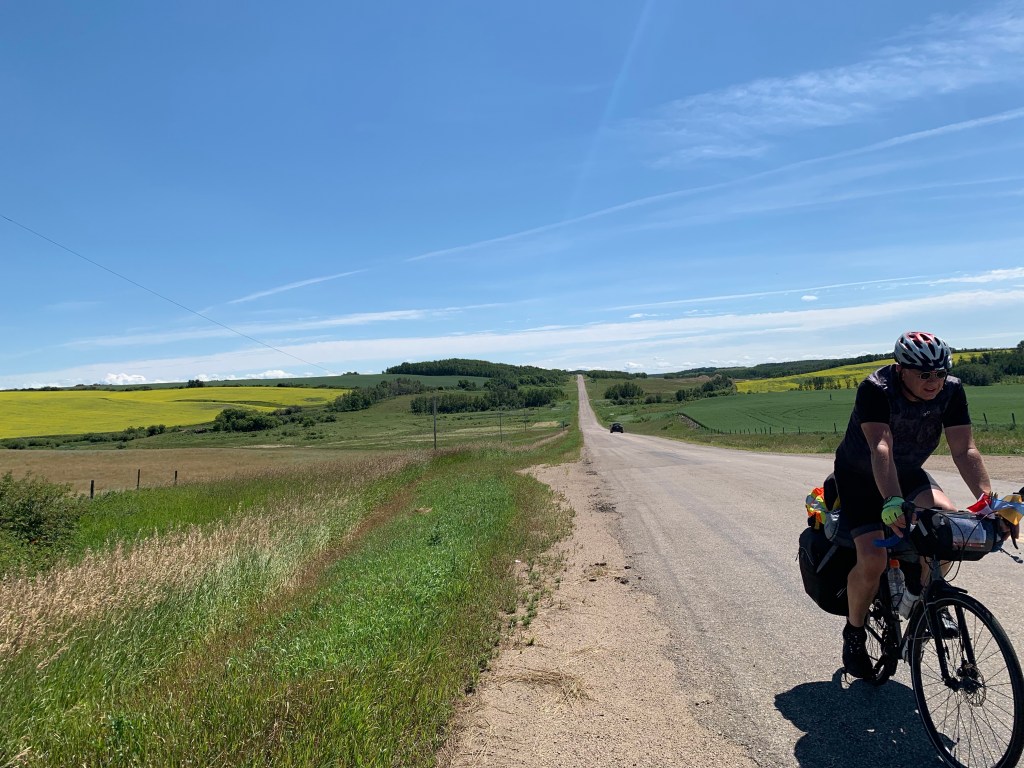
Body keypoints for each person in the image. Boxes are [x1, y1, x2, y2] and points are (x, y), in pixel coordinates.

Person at [833, 330, 995, 679]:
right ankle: (855, 632)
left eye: (940, 373)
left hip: (907, 472)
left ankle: (923, 597)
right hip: (860, 476)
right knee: (873, 559)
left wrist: (988, 502)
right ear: (900, 369)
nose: (933, 381)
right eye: (924, 374)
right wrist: (892, 500)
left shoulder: (951, 390)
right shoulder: (876, 388)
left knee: (951, 527)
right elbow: (880, 446)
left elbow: (964, 449)